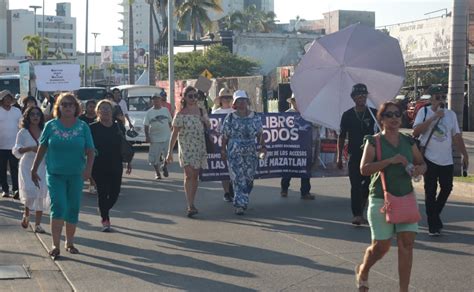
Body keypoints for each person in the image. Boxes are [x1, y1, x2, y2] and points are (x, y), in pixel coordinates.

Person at [356, 101, 426, 292]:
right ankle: (363, 270)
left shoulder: (408, 141)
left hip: (406, 198)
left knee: (407, 244)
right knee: (381, 246)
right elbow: (364, 169)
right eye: (389, 115)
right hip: (381, 199)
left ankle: (404, 289)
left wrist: (419, 169)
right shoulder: (373, 141)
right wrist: (390, 161)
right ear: (382, 119)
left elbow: (422, 163)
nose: (394, 118)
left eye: (397, 114)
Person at [31, 92, 95, 259]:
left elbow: (90, 150)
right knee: (58, 206)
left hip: (76, 175)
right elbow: (42, 148)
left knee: (72, 208)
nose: (67, 107)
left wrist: (88, 170)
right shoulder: (51, 126)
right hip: (55, 174)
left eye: (71, 104)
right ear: (58, 107)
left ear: (76, 108)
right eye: (64, 104)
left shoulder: (83, 127)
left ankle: (70, 242)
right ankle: (55, 244)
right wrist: (34, 168)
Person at [412, 85, 469, 236]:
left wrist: (465, 154)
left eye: (443, 96)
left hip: (446, 159)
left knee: (447, 187)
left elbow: (456, 136)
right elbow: (416, 132)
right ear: (431, 98)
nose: (441, 99)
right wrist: (434, 116)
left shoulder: (451, 115)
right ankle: (433, 225)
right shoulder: (423, 112)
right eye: (438, 97)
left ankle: (434, 215)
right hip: (428, 158)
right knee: (430, 191)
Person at [337, 83, 377, 226]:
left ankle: (361, 210)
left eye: (364, 95)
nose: (362, 97)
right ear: (353, 98)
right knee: (355, 185)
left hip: (371, 156)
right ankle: (357, 215)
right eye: (358, 95)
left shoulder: (373, 113)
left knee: (367, 185)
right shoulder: (347, 115)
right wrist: (339, 156)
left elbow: (380, 133)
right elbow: (341, 137)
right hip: (354, 155)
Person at [166, 86, 210, 217]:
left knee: (195, 176)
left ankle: (193, 201)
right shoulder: (180, 113)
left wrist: (204, 120)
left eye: (195, 96)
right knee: (188, 174)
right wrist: (169, 152)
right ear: (184, 97)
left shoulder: (201, 110)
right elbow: (174, 134)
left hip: (199, 147)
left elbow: (209, 125)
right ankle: (190, 205)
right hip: (186, 148)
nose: (193, 98)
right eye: (190, 96)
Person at [221, 90, 266, 215]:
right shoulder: (230, 118)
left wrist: (263, 146)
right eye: (238, 101)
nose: (241, 103)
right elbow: (224, 135)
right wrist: (222, 149)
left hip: (251, 151)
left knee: (249, 178)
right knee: (237, 178)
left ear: (247, 101)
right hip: (234, 151)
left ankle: (243, 198)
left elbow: (260, 134)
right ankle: (240, 204)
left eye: (243, 100)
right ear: (234, 103)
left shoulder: (255, 116)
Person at [90, 100, 132, 232]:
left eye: (108, 108)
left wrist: (129, 162)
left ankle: (104, 208)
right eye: (102, 108)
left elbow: (124, 146)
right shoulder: (92, 127)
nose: (106, 110)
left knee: (115, 192)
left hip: (116, 163)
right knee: (102, 192)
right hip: (98, 165)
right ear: (98, 111)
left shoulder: (118, 126)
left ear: (112, 111)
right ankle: (105, 219)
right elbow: (88, 147)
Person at [12, 106, 49, 233]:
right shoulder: (23, 132)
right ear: (28, 117)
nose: (35, 117)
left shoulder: (45, 130)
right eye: (32, 114)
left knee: (41, 193)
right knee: (29, 192)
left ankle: (38, 224)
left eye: (38, 114)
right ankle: (26, 214)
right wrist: (30, 148)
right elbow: (16, 150)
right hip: (27, 165)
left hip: (42, 165)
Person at [280, 95, 315, 200]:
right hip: (290, 146)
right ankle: (284, 189)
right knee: (288, 168)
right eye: (295, 100)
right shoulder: (287, 114)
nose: (297, 103)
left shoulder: (307, 114)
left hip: (304, 146)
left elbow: (313, 126)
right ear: (292, 102)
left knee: (305, 169)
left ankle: (305, 192)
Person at [212, 88, 235, 202]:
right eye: (224, 97)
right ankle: (226, 192)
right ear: (220, 100)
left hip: (234, 144)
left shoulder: (234, 112)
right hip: (221, 143)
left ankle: (233, 188)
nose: (226, 99)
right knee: (223, 169)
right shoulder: (216, 113)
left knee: (234, 168)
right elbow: (213, 129)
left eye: (228, 97)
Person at [144, 93, 172, 180]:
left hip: (166, 137)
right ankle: (157, 173)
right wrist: (147, 136)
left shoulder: (165, 110)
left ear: (161, 100)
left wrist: (172, 132)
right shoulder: (149, 112)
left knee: (168, 155)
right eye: (154, 99)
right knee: (153, 158)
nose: (156, 100)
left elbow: (170, 122)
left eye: (158, 99)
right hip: (155, 138)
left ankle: (164, 166)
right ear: (152, 101)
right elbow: (146, 125)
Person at [0, 90, 22, 199]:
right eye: (5, 98)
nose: (8, 100)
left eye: (9, 98)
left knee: (15, 168)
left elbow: (21, 126)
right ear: (2, 100)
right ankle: (5, 190)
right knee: (2, 169)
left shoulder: (17, 111)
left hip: (14, 145)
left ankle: (16, 189)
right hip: (1, 146)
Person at [79, 99, 98, 194]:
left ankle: (94, 183)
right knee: (88, 164)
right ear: (86, 108)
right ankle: (92, 183)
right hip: (84, 145)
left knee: (96, 166)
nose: (92, 109)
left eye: (94, 107)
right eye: (90, 106)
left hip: (96, 144)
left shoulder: (98, 118)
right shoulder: (81, 119)